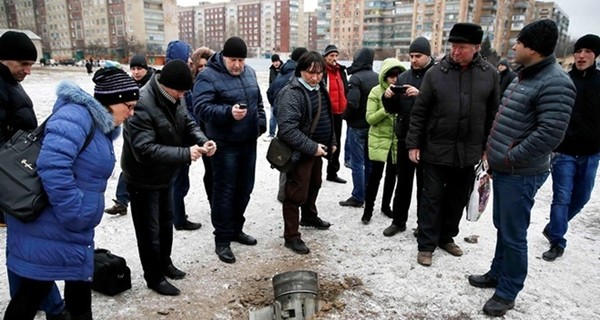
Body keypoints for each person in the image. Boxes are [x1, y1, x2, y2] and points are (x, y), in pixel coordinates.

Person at [4, 65, 140, 320]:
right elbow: (52, 167)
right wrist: (74, 211)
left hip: (69, 227)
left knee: (76, 285)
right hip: (52, 224)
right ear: (112, 101)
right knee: (32, 293)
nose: (131, 114)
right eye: (129, 106)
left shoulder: (97, 124)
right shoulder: (76, 117)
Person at [468, 19, 576, 317]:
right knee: (503, 227)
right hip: (505, 168)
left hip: (522, 172)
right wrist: (494, 156)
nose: (513, 46)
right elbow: (508, 121)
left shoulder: (556, 82)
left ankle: (508, 291)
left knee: (514, 233)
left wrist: (509, 157)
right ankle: (497, 273)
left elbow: (550, 135)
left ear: (533, 48)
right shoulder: (523, 76)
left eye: (519, 42)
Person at [405, 23, 499, 267]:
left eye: (462, 47)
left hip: (468, 152)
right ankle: (426, 245)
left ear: (477, 48)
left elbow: (492, 114)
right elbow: (420, 112)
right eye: (453, 46)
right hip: (435, 149)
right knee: (431, 199)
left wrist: (487, 146)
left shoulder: (489, 74)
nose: (455, 52)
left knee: (457, 199)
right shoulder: (436, 74)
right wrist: (413, 144)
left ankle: (446, 237)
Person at [122, 59, 216, 296]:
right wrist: (185, 153)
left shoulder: (175, 96)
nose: (183, 95)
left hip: (165, 173)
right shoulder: (142, 102)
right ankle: (154, 277)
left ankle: (165, 264)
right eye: (181, 91)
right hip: (142, 177)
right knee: (148, 231)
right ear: (167, 85)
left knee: (166, 223)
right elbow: (144, 149)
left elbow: (187, 122)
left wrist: (202, 140)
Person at [0, 30, 70, 320]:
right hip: (12, 179)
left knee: (20, 244)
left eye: (31, 64)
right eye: (23, 64)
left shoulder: (7, 82)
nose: (28, 70)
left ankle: (34, 300)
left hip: (15, 176)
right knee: (29, 245)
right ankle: (53, 306)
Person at [193, 36, 266, 264]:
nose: (237, 65)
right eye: (233, 59)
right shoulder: (208, 76)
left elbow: (259, 103)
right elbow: (201, 107)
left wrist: (260, 124)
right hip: (224, 144)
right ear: (223, 57)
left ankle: (236, 229)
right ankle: (222, 240)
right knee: (224, 192)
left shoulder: (250, 73)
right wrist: (228, 113)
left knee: (245, 189)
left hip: (248, 142)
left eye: (241, 60)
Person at [541, 34, 600, 261]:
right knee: (562, 197)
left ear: (595, 55)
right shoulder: (564, 81)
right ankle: (557, 241)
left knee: (582, 197)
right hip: (564, 151)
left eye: (587, 51)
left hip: (591, 152)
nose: (581, 55)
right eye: (578, 51)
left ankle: (554, 226)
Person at [275, 51, 336, 254]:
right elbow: (287, 130)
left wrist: (331, 141)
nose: (316, 77)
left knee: (315, 184)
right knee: (295, 193)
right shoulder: (291, 93)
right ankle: (291, 236)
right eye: (311, 73)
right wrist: (312, 147)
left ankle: (309, 216)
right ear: (300, 71)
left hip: (318, 150)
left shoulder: (319, 88)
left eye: (319, 72)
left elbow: (327, 116)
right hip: (300, 152)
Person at [381, 36, 435, 237]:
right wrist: (387, 98)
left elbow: (443, 106)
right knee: (403, 183)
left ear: (427, 55)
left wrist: (421, 95)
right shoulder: (404, 77)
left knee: (425, 188)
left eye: (418, 56)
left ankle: (423, 225)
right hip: (405, 138)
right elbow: (394, 109)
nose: (413, 60)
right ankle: (398, 221)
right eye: (411, 56)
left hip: (428, 141)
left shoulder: (436, 75)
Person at [104, 54, 156, 216]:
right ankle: (121, 201)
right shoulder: (128, 84)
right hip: (132, 130)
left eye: (139, 68)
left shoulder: (154, 83)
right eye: (133, 68)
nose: (136, 72)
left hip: (151, 131)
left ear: (145, 69)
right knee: (129, 164)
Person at [165, 39, 203, 231]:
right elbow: (184, 115)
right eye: (187, 57)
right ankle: (177, 219)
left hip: (182, 143)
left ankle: (177, 216)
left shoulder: (181, 79)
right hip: (175, 145)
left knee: (180, 182)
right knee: (177, 183)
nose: (190, 61)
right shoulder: (173, 84)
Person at [360, 58, 404, 224]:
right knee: (374, 177)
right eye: (390, 75)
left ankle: (386, 206)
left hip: (395, 142)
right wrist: (386, 107)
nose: (394, 78)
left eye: (397, 75)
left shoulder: (402, 91)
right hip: (378, 140)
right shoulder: (375, 92)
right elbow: (370, 118)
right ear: (384, 76)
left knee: (392, 177)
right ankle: (368, 210)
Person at [338, 48, 378, 209]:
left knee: (357, 163)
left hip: (357, 127)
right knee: (369, 162)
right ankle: (368, 193)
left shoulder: (355, 79)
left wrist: (344, 116)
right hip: (372, 125)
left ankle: (358, 196)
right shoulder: (377, 77)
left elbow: (353, 103)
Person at [267, 47, 309, 203]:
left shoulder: (282, 73)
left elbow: (270, 93)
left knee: (285, 156)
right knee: (291, 159)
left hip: (283, 121)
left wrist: (277, 111)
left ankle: (283, 192)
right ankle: (286, 195)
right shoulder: (295, 75)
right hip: (294, 123)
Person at [190, 47, 215, 208]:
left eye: (207, 65)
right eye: (200, 66)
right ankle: (212, 200)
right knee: (211, 170)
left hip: (216, 132)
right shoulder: (191, 86)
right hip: (200, 133)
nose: (204, 69)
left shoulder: (216, 84)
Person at [322, 44, 348, 184]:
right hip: (326, 112)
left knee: (336, 142)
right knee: (322, 140)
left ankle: (332, 171)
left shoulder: (341, 70)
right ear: (325, 57)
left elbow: (345, 88)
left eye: (336, 55)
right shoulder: (322, 71)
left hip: (339, 112)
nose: (334, 58)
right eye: (331, 55)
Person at [266, 54, 283, 139]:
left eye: (276, 61)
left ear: (279, 61)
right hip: (274, 97)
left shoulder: (284, 69)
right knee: (273, 116)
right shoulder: (271, 70)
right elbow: (270, 84)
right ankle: (271, 134)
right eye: (273, 62)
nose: (275, 63)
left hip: (283, 96)